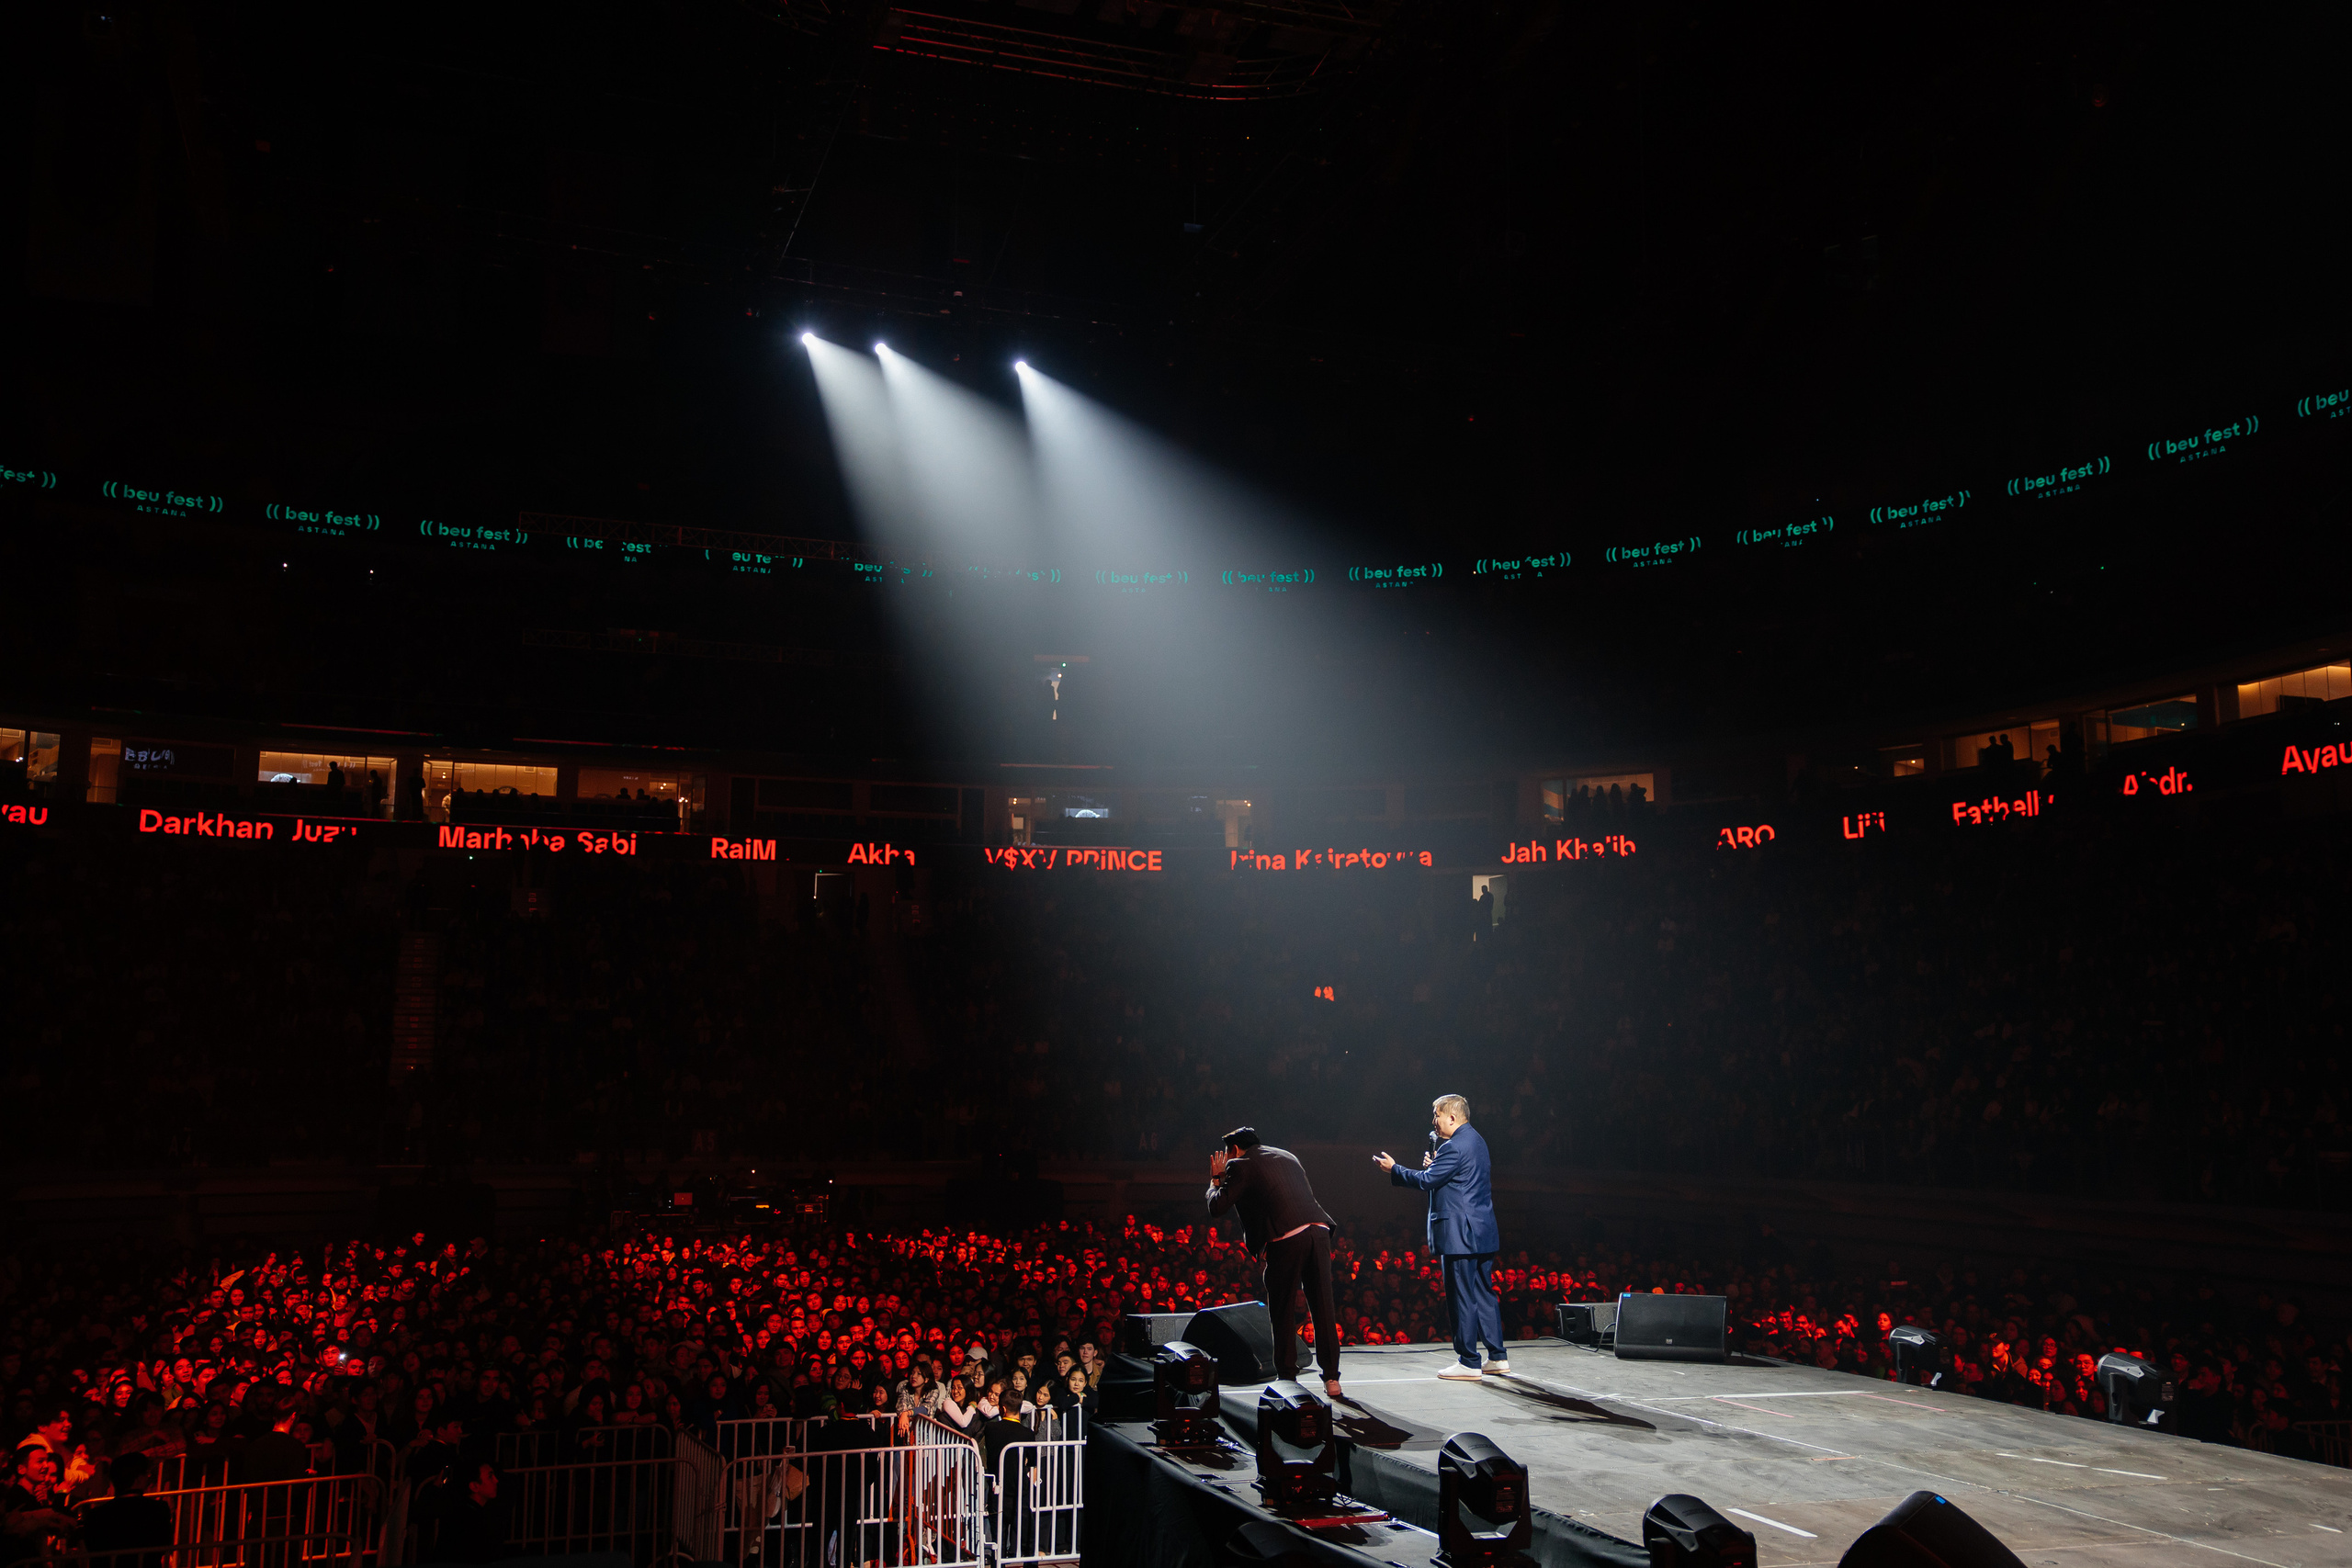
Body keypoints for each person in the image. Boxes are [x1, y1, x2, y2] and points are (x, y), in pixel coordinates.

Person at [1375, 1093, 1506, 1382]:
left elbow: (1427, 1181)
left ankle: (1469, 1361)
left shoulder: (1453, 1147)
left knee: (1462, 1298)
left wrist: (1395, 1170)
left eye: (1437, 1115)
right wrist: (1436, 1164)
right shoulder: (1477, 1142)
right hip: (1482, 1231)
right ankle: (1497, 1357)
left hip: (1460, 1234)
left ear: (1452, 1117)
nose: (1434, 1121)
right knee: (1484, 1294)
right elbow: (1458, 1181)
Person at [1206, 1126, 1342, 1399]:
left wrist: (1215, 1180)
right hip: (1319, 1231)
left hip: (1287, 1237)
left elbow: (1217, 1207)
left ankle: (1288, 1378)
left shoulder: (1239, 1164)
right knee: (1323, 1307)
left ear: (1235, 1149)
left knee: (1282, 1310)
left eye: (1228, 1153)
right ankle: (1331, 1379)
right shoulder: (1287, 1156)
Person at [80, 1452, 174, 1568]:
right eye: (146, 1474)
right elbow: (164, 1543)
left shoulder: (95, 1515)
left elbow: (92, 1548)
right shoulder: (158, 1510)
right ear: (138, 1479)